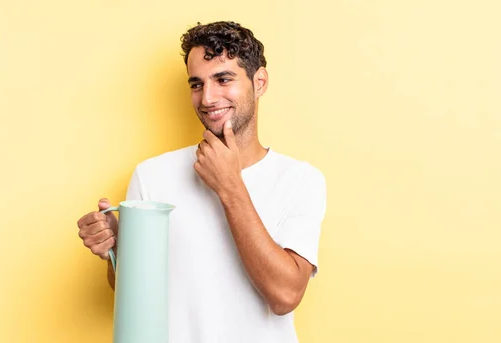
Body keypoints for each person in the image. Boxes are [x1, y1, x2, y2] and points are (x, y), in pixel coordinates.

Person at [76, 21, 327, 343]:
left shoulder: (300, 179)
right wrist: (119, 249)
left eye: (223, 79)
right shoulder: (152, 174)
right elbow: (134, 293)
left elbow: (285, 296)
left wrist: (229, 185)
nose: (208, 98)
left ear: (259, 81)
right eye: (196, 84)